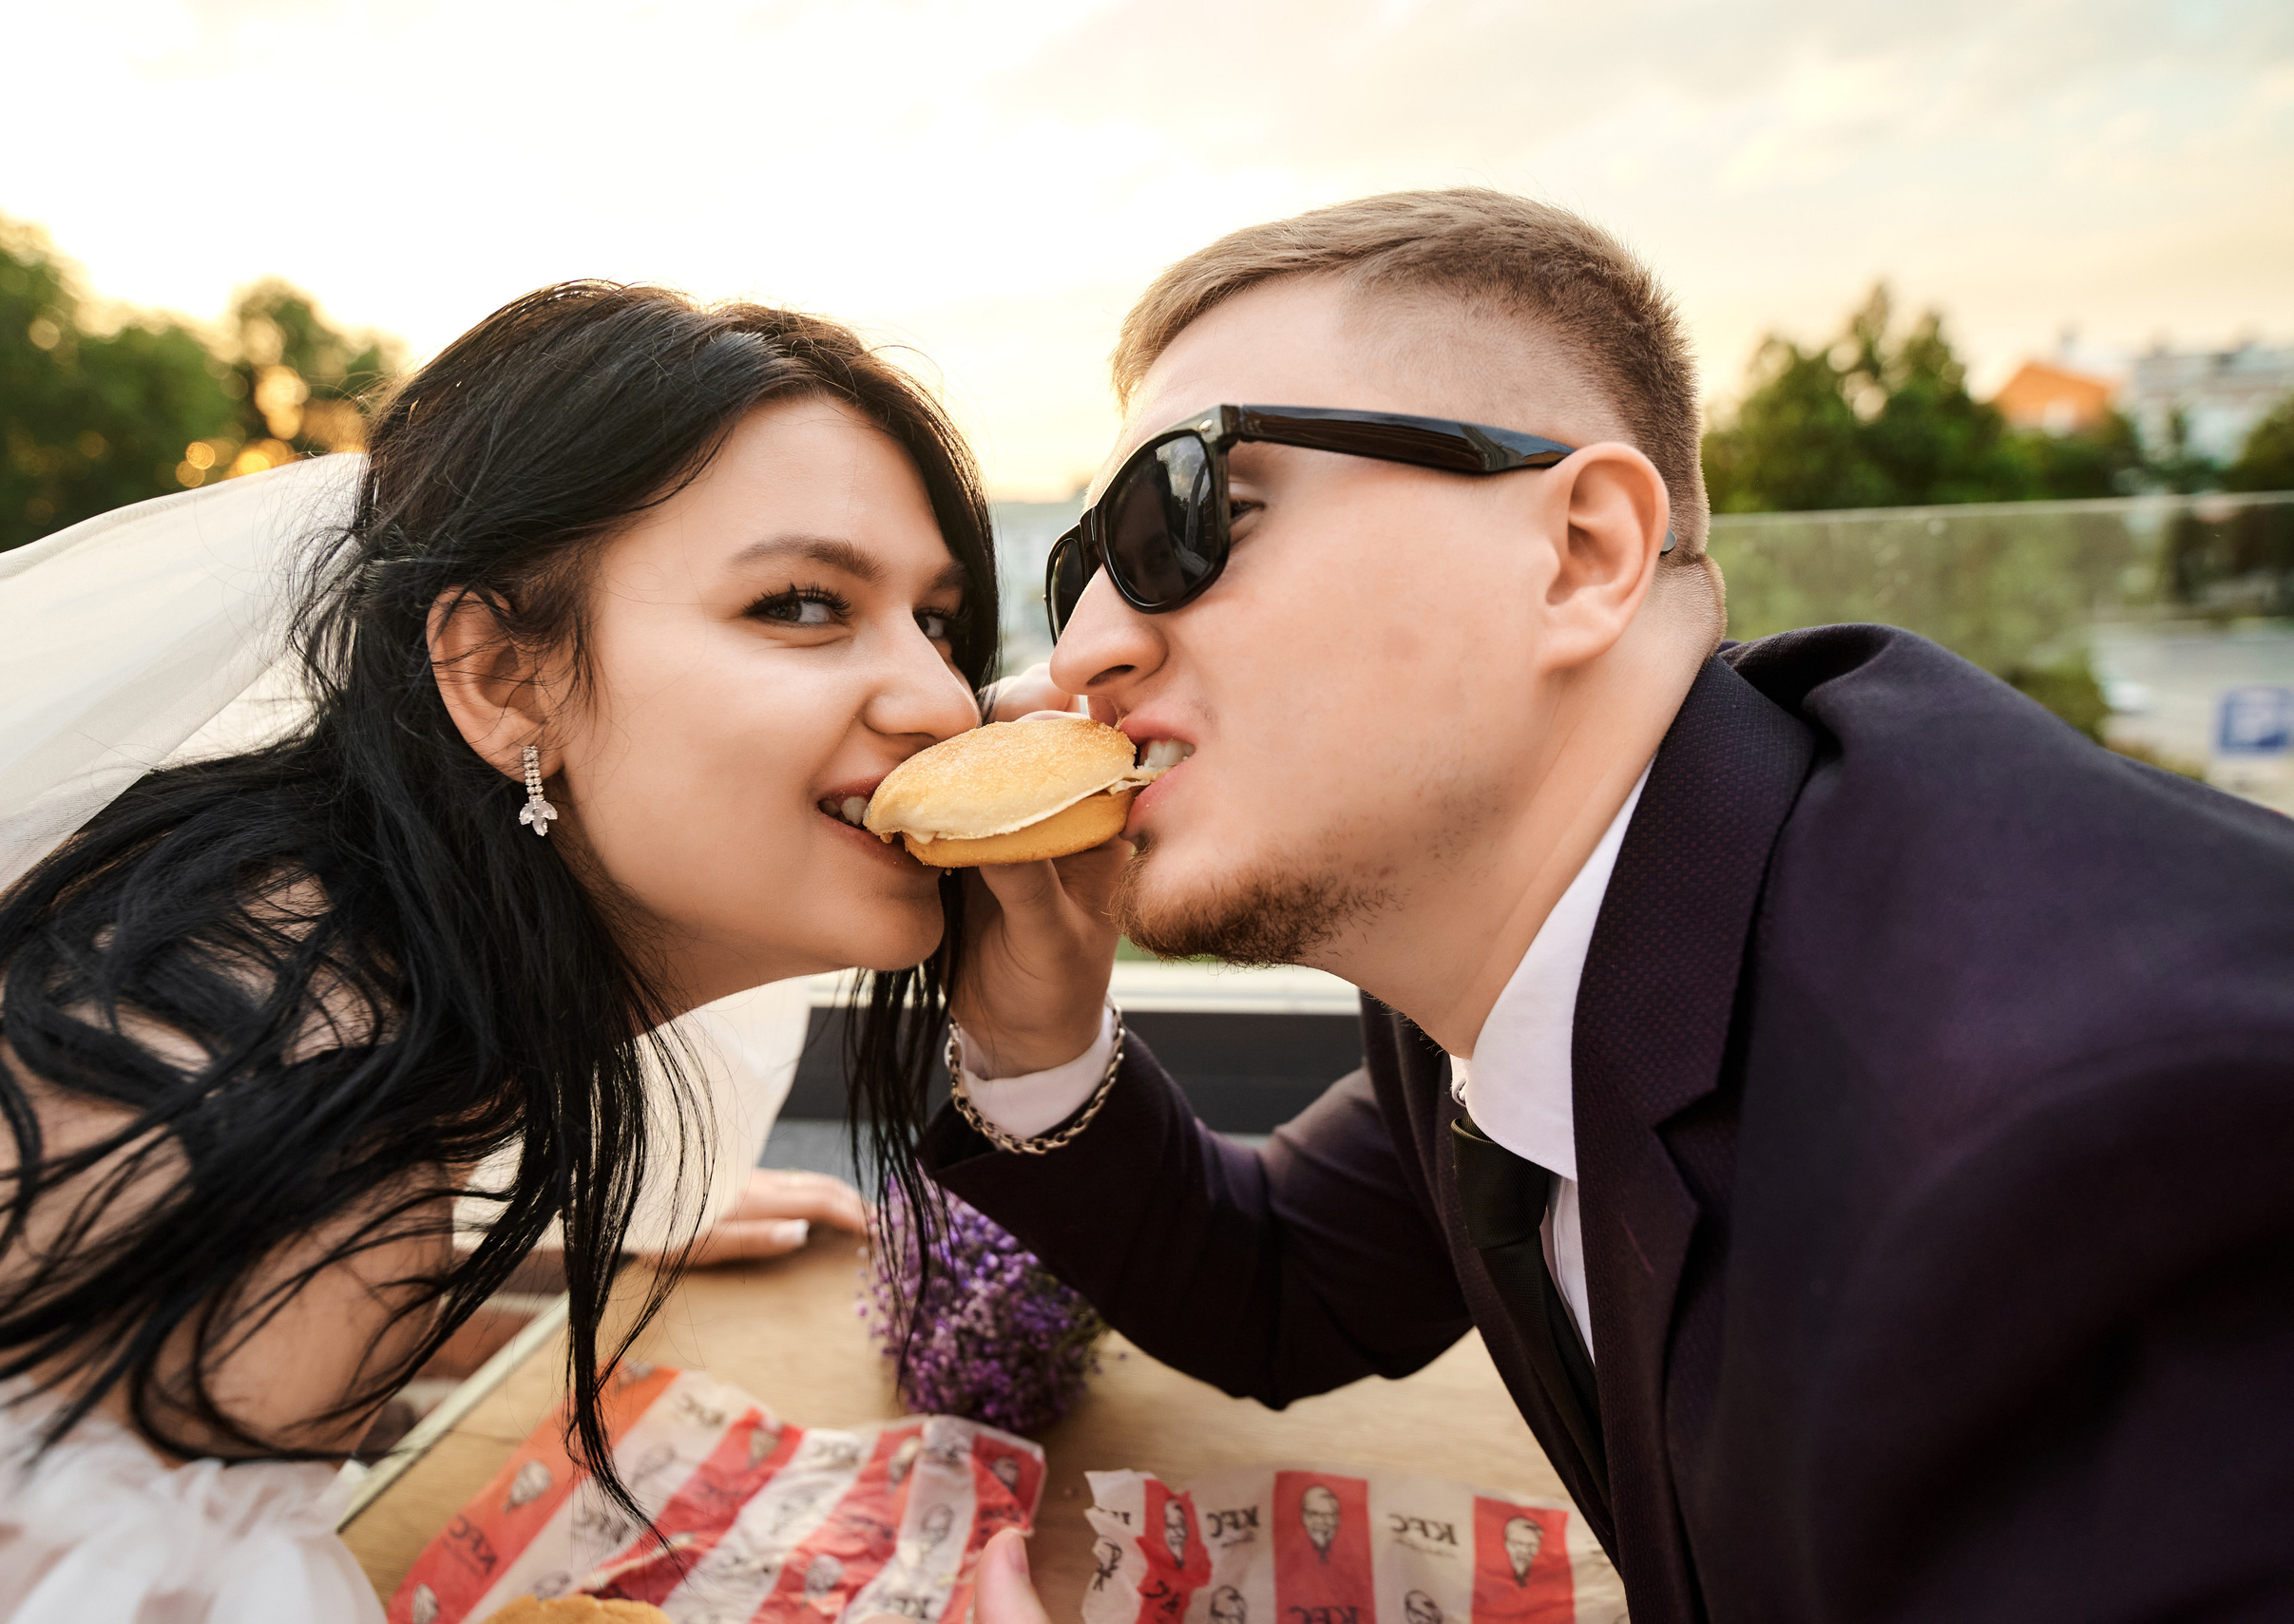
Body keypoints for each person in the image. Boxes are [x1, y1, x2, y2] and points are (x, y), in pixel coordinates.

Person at [933, 191, 2294, 1621]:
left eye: (1186, 515)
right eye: (1080, 567)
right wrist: (1039, 1035)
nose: (1082, 652)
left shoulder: (2085, 1148)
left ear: (1580, 552)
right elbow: (1284, 1282)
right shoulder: (1528, 928)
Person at [0, 282, 1002, 1620]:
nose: (943, 699)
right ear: (500, 675)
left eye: (936, 620)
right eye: (801, 603)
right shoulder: (265, 1109)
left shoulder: (281, 954)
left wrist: (558, 1238)